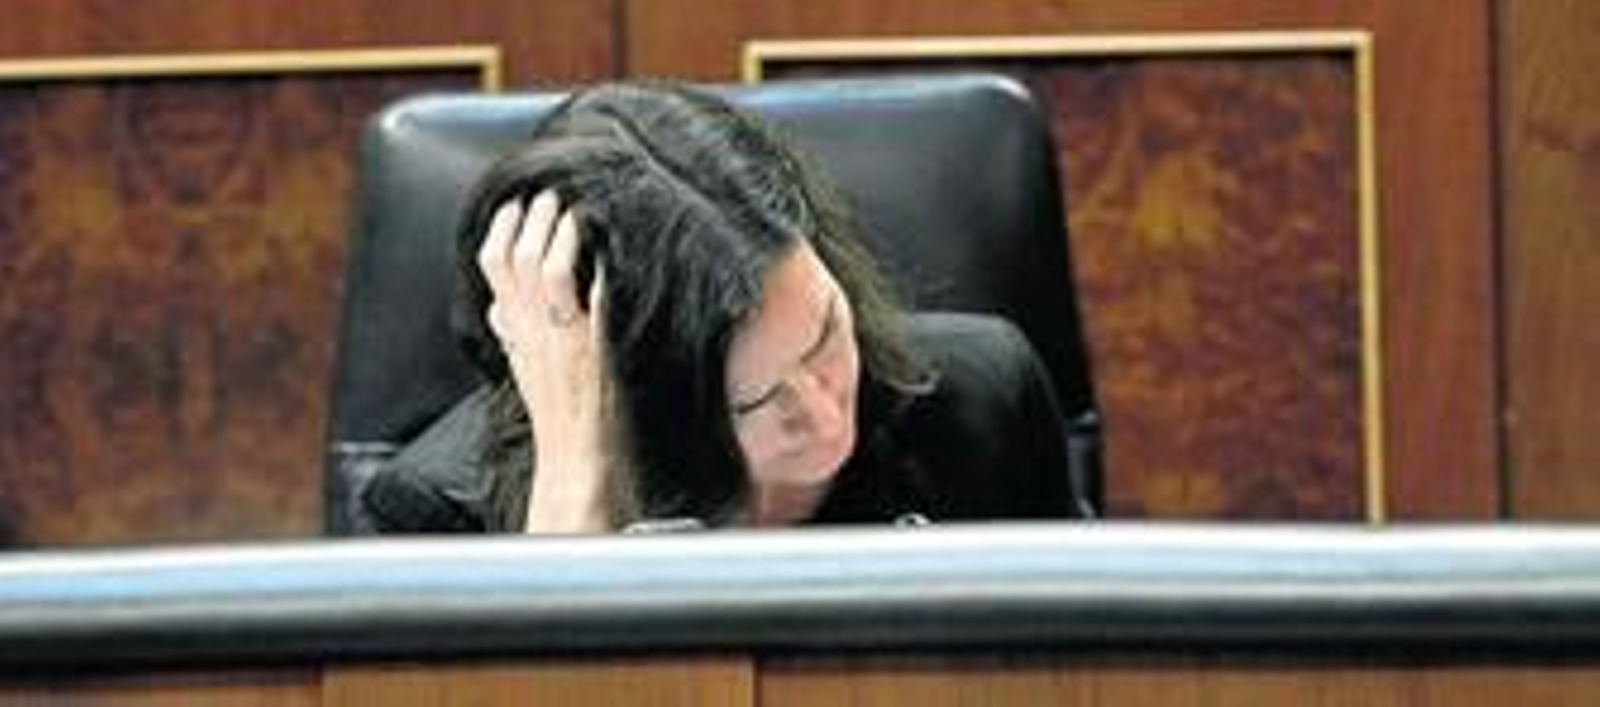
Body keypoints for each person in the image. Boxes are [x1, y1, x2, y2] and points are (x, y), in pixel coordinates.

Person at [359, 81, 1092, 534]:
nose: (825, 415)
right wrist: (574, 502)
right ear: (647, 406)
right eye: (761, 400)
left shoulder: (984, 401)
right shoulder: (437, 512)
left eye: (825, 334)